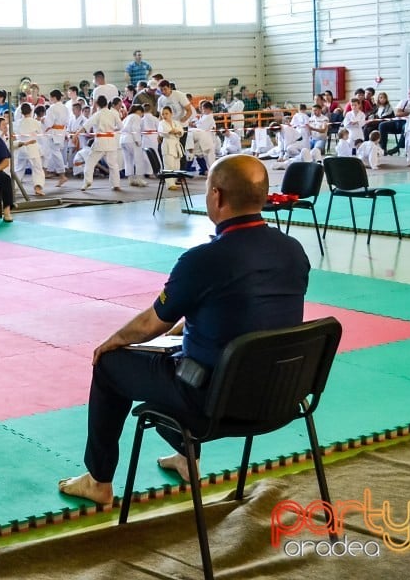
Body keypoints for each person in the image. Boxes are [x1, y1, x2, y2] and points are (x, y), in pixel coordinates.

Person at [57, 155, 310, 505]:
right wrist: (190, 323)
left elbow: (149, 324)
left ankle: (99, 480)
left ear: (217, 197)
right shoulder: (293, 250)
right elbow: (256, 311)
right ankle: (185, 458)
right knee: (183, 351)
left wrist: (112, 341)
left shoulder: (203, 260)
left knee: (110, 366)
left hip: (212, 401)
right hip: (281, 396)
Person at [76, 95, 123, 192]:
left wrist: (76, 134)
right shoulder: (113, 113)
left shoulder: (98, 114)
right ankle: (116, 184)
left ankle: (87, 182)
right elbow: (121, 126)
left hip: (100, 142)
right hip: (111, 142)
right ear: (106, 103)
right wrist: (111, 129)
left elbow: (86, 125)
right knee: (113, 165)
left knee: (90, 162)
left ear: (97, 104)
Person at [158, 106, 185, 190]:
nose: (164, 115)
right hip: (167, 144)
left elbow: (181, 132)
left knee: (176, 166)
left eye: (166, 113)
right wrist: (174, 131)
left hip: (176, 144)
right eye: (163, 114)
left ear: (171, 114)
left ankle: (174, 182)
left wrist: (175, 131)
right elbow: (166, 131)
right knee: (169, 165)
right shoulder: (161, 123)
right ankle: (169, 184)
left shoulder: (176, 122)